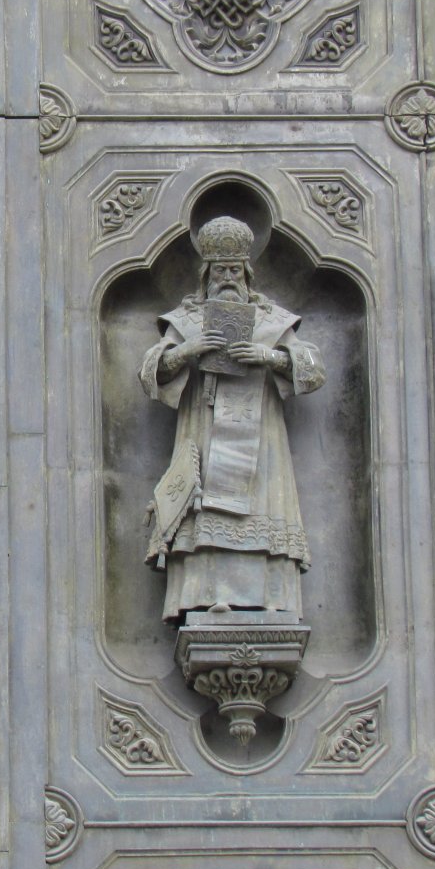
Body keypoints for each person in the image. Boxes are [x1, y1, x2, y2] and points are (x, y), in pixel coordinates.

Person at [142, 215, 325, 624]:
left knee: (259, 511)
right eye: (220, 270)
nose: (228, 277)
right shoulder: (186, 321)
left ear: (247, 273)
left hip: (261, 441)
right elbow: (150, 372)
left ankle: (271, 598)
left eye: (234, 270)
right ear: (207, 274)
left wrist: (270, 356)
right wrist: (187, 351)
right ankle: (209, 597)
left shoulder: (270, 320)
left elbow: (313, 367)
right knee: (208, 512)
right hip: (205, 433)